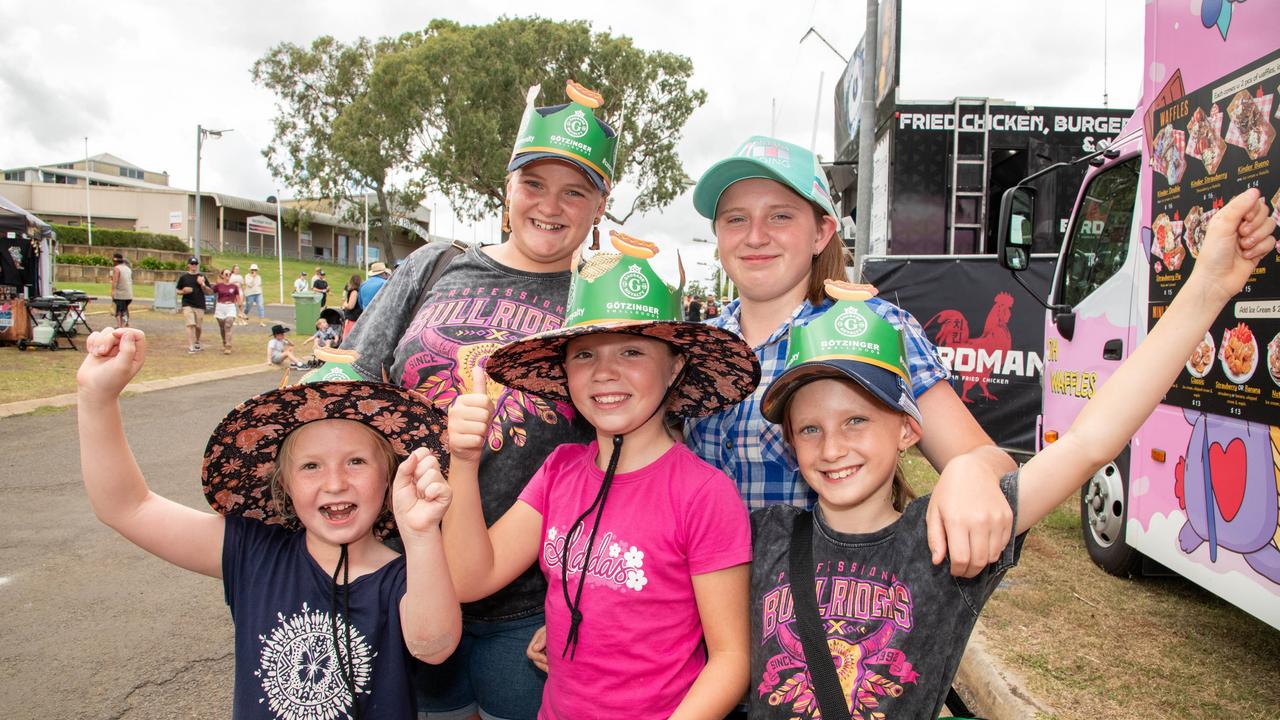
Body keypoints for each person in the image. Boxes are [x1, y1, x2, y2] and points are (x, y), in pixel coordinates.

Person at [747, 189, 1275, 718]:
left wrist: (1206, 288)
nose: (833, 447)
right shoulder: (762, 535)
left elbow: (1090, 443)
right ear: (790, 442)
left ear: (909, 429)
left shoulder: (946, 536)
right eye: (810, 428)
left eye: (857, 420)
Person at [343, 80, 618, 720]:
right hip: (402, 578)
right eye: (534, 184)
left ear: (599, 206)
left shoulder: (601, 303)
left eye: (575, 190)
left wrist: (587, 600)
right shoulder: (437, 265)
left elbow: (623, 456)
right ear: (507, 190)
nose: (550, 206)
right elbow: (348, 388)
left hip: (530, 605)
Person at [75, 327, 466, 719]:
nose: (335, 483)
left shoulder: (406, 576)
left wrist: (420, 536)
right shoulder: (252, 552)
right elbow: (127, 507)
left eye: (356, 461)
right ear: (284, 483)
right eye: (311, 466)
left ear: (389, 476)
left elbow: (434, 645)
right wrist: (96, 397)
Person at [687, 136, 1015, 577]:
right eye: (735, 219)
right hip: (701, 619)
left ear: (822, 233)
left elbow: (985, 459)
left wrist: (974, 470)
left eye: (780, 216)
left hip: (821, 617)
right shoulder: (692, 348)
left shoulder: (873, 327)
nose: (755, 236)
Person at [464, 239, 759, 718]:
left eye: (631, 352)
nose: (605, 373)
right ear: (564, 370)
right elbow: (470, 577)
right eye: (584, 355)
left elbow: (731, 659)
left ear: (676, 366)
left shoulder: (704, 494)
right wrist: (462, 460)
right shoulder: (559, 470)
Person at [175, 257, 208, 354]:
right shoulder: (184, 277)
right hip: (187, 304)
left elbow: (209, 292)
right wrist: (183, 291)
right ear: (188, 265)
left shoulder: (202, 277)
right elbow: (177, 290)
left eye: (195, 264)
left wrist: (202, 284)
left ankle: (197, 341)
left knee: (198, 326)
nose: (194, 266)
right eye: (192, 264)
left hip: (199, 304)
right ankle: (191, 346)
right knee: (190, 324)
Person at [211, 269, 241, 354]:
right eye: (226, 274)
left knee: (228, 325)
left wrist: (241, 311)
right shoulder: (218, 286)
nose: (228, 275)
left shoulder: (234, 287)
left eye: (229, 274)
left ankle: (228, 345)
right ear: (222, 275)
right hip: (220, 306)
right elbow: (210, 291)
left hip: (230, 306)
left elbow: (238, 299)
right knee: (222, 327)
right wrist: (202, 285)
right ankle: (224, 341)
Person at [109, 253, 133, 328]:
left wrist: (113, 291)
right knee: (125, 310)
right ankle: (125, 324)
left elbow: (115, 281)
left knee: (118, 311)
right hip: (129, 294)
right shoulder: (128, 268)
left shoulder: (117, 269)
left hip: (120, 294)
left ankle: (120, 326)